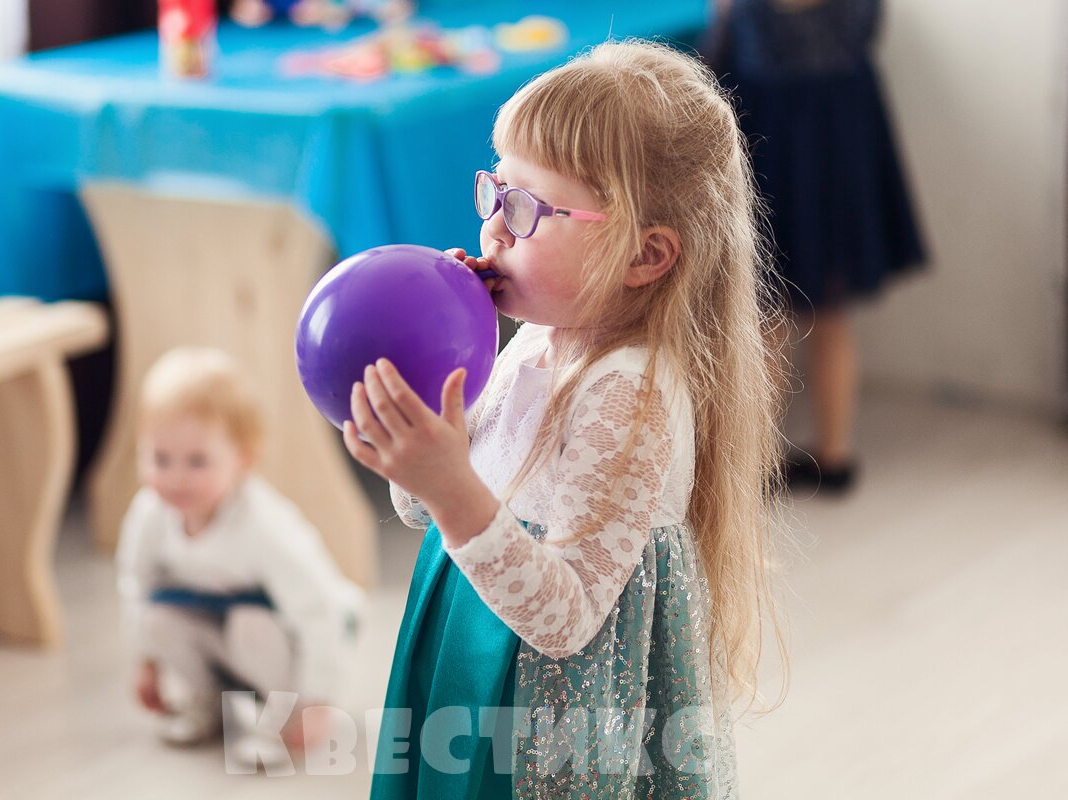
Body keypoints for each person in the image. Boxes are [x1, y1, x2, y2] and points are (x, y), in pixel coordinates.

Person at [342, 41, 785, 799]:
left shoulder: (630, 394)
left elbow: (566, 618)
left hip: (550, 710)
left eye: (527, 209)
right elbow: (422, 508)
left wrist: (448, 487)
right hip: (466, 633)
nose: (494, 230)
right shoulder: (534, 345)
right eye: (495, 191)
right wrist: (434, 391)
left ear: (645, 256)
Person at [708, 0, 927, 493]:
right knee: (829, 316)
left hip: (770, 167)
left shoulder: (742, 9)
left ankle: (755, 461)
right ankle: (835, 454)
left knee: (766, 324)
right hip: (839, 169)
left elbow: (713, 71)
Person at [116, 347, 362, 766]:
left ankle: (278, 717)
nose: (175, 477)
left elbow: (317, 611)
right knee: (159, 619)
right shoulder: (150, 515)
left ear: (242, 459)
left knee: (250, 627)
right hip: (215, 624)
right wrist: (146, 663)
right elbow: (136, 586)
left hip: (281, 635)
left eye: (197, 461)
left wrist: (318, 700)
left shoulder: (264, 526)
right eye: (160, 458)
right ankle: (209, 702)